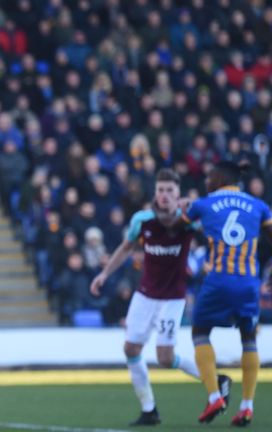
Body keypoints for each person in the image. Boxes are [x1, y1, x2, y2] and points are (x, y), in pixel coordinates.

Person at [90, 168, 230, 426]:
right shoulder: (142, 220)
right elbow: (126, 247)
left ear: (178, 195)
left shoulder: (189, 220)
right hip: (144, 295)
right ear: (155, 192)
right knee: (130, 348)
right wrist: (104, 274)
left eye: (170, 190)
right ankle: (149, 410)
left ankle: (216, 380)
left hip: (172, 299)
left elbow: (217, 221)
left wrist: (197, 205)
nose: (164, 195)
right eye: (160, 190)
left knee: (165, 358)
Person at [182, 161, 272, 426]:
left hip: (219, 280)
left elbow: (178, 227)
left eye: (210, 177)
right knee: (248, 338)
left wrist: (181, 209)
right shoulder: (259, 205)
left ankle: (214, 396)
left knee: (199, 332)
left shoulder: (204, 203)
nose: (207, 181)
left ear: (219, 178)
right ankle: (247, 406)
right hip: (248, 283)